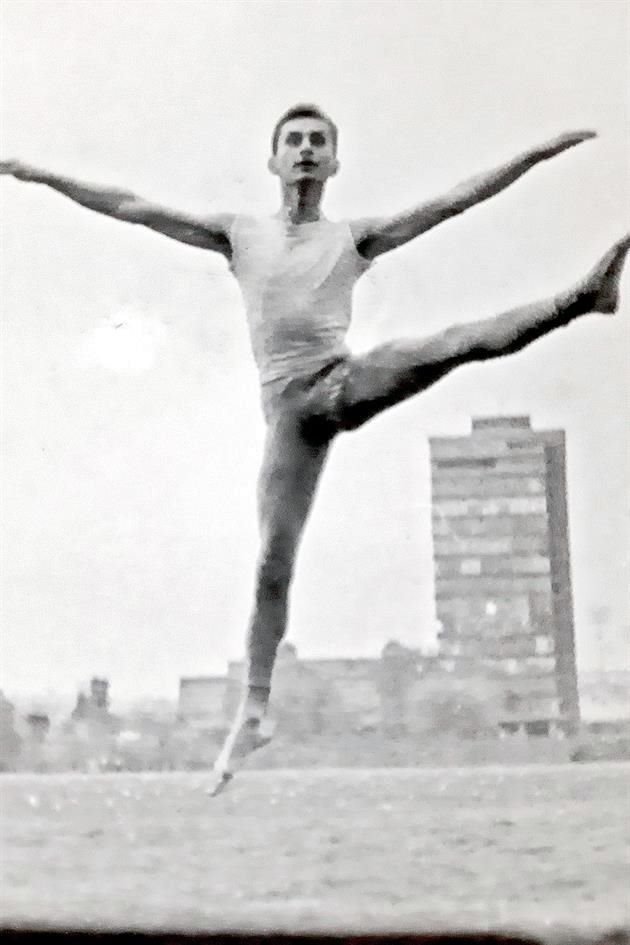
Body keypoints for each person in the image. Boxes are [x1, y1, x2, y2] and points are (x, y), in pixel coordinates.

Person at [2, 105, 629, 795]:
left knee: (455, 342)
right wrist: (35, 173)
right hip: (291, 422)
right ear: (273, 162)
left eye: (317, 143)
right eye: (293, 142)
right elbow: (130, 206)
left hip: (344, 381)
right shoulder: (237, 235)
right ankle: (253, 714)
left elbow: (455, 201)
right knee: (272, 566)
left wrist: (538, 151)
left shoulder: (355, 239)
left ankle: (583, 298)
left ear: (333, 164)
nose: (304, 151)